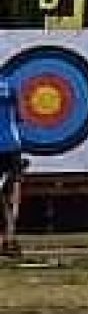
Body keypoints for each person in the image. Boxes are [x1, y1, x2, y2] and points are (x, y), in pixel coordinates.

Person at [0, 74, 23, 256]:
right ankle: (10, 236)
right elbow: (19, 117)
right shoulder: (10, 86)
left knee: (3, 193)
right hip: (13, 145)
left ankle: (6, 238)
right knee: (14, 188)